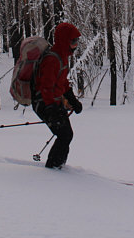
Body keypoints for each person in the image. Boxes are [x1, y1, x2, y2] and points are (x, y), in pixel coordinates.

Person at [32, 22, 83, 168]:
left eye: (77, 41)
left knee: (66, 135)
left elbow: (62, 82)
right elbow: (45, 87)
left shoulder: (62, 57)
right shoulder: (52, 59)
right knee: (65, 135)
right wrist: (51, 109)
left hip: (53, 103)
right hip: (44, 103)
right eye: (73, 41)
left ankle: (57, 165)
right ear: (64, 41)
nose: (76, 44)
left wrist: (73, 100)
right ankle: (53, 169)